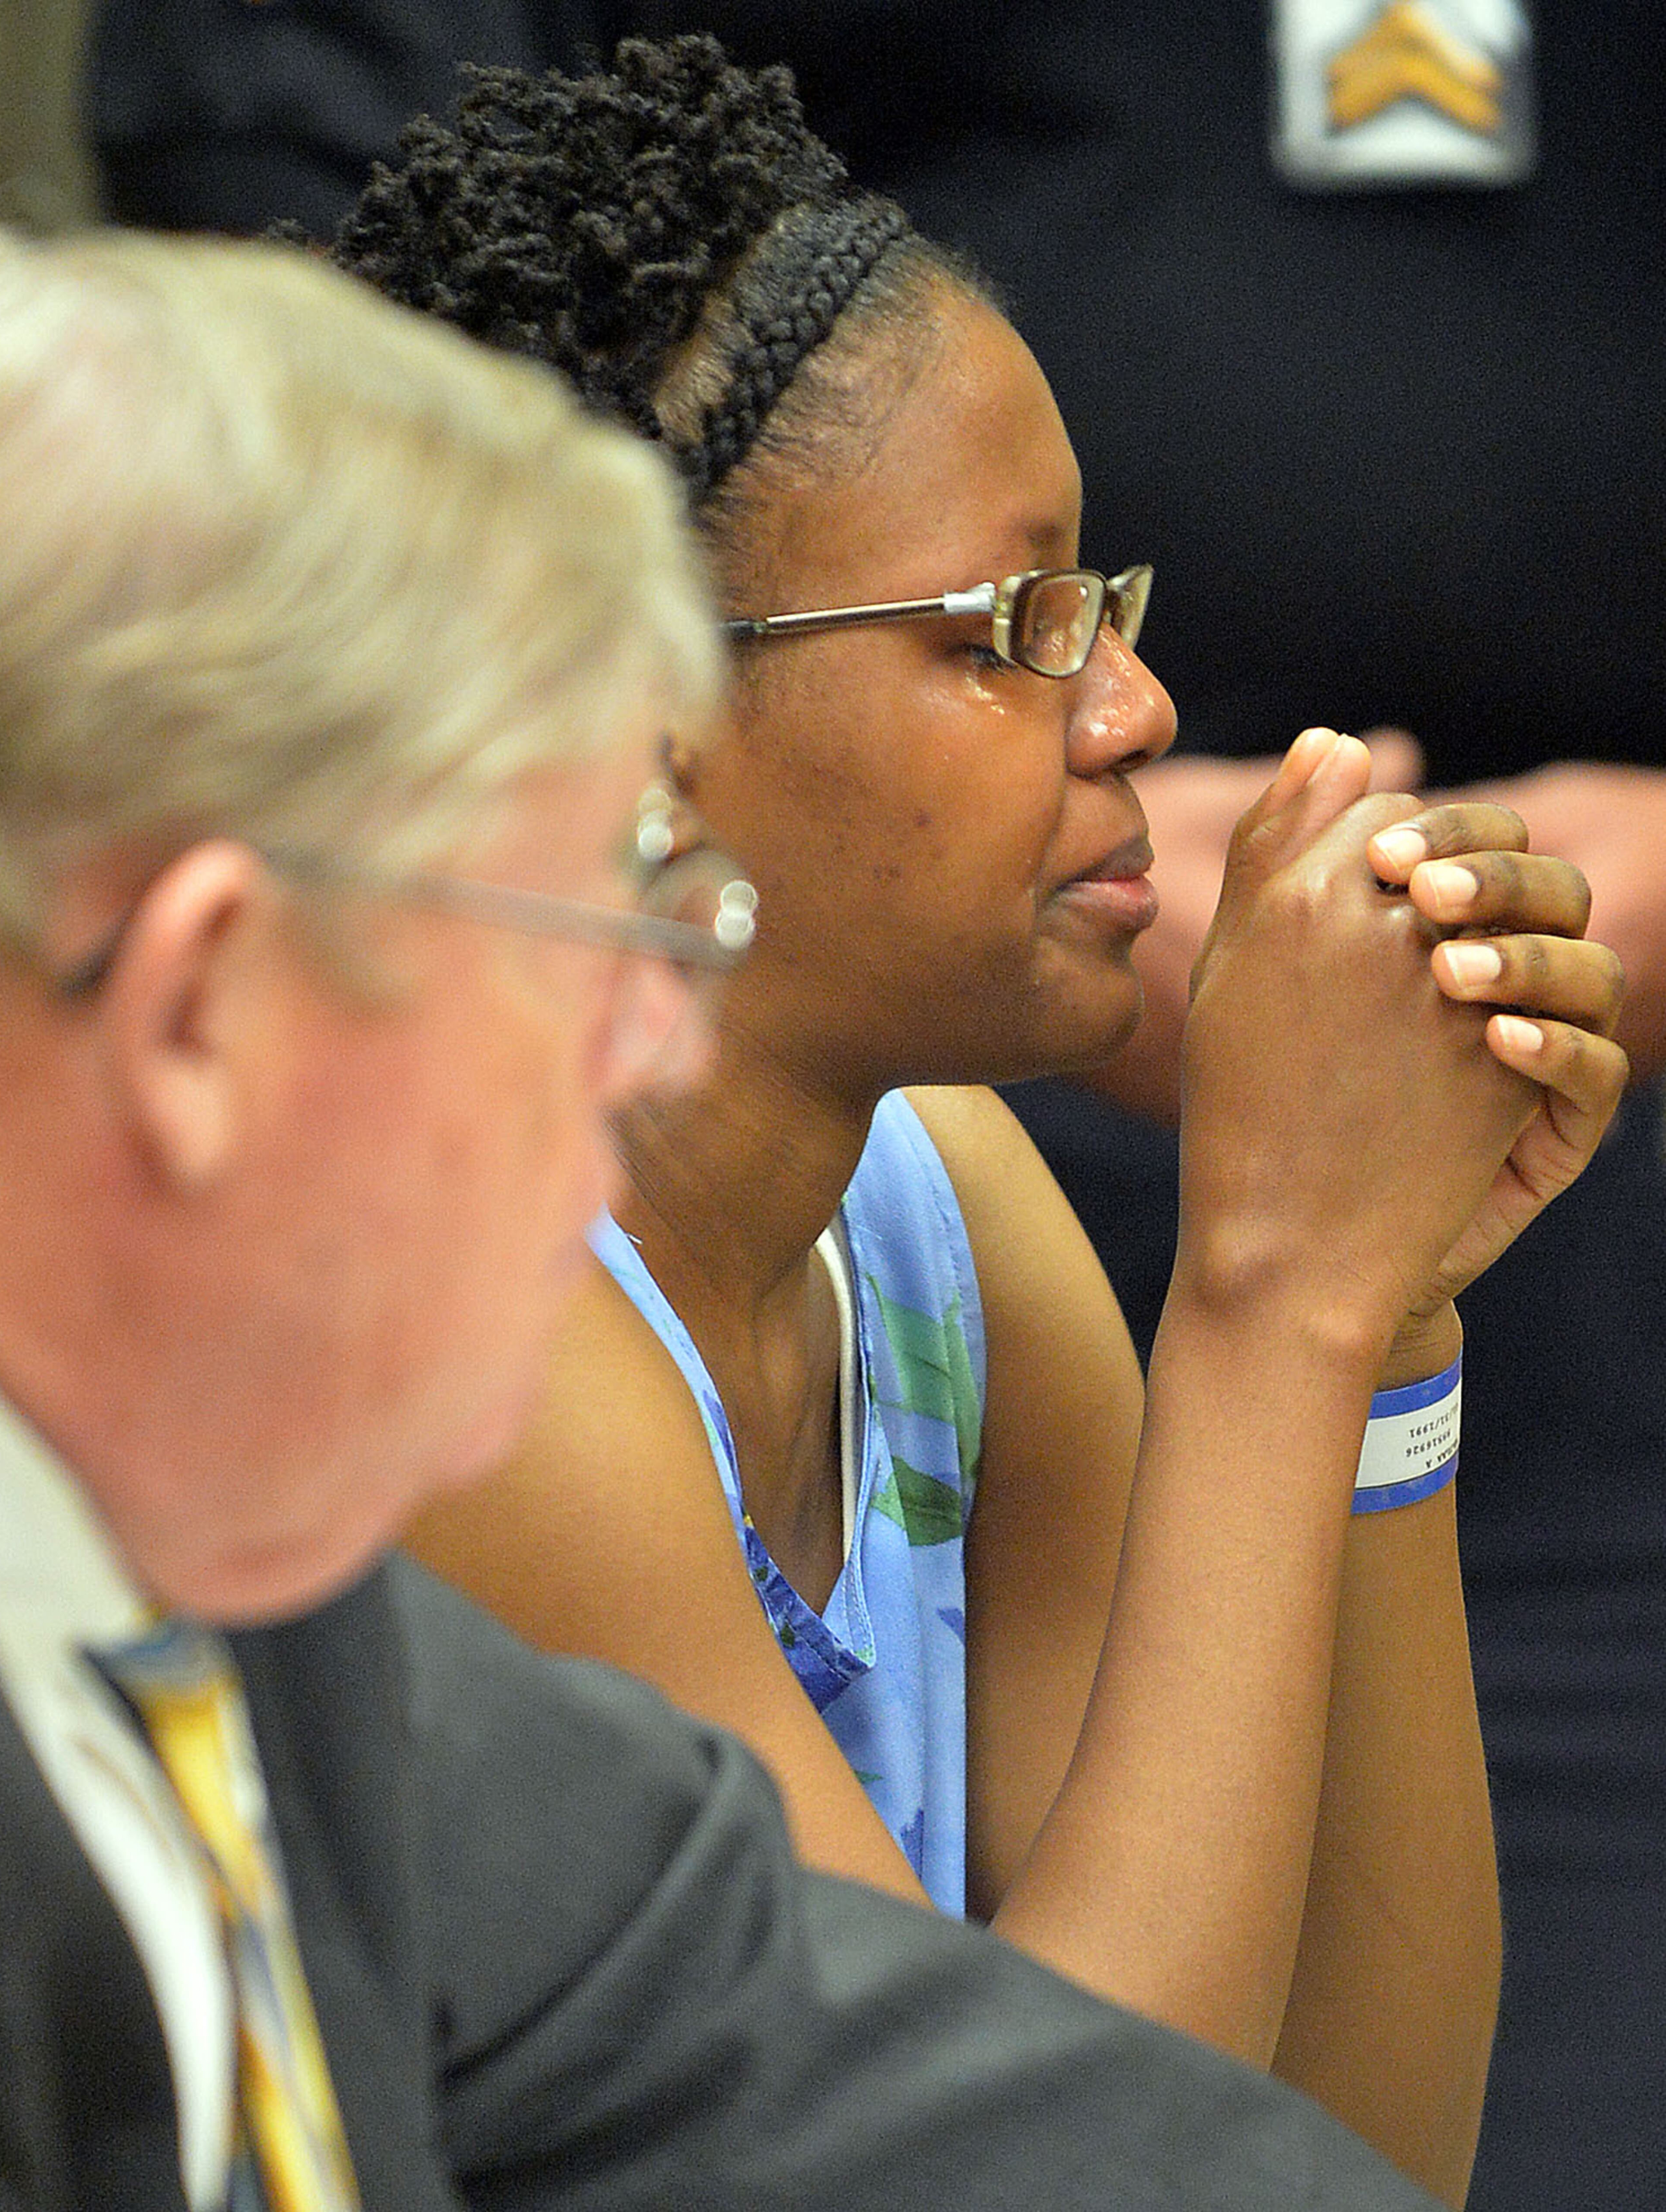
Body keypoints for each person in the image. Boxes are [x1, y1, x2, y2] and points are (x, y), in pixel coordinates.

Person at [0, 220, 1468, 2212]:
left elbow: (1178, 2151)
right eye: (582, 942)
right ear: (193, 1007)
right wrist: (1284, 1289)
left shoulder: (344, 1665)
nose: (637, 1064)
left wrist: (1363, 1319)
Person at [305, 40, 1629, 2206]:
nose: (1135, 708)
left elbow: (1354, 2146)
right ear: (646, 725)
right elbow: (1049, 2176)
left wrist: (1382, 1321)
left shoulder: (931, 1200)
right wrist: (1271, 1287)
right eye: (1016, 626)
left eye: (1101, 603)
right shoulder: (488, 1344)